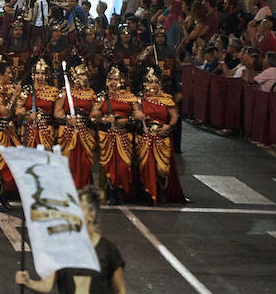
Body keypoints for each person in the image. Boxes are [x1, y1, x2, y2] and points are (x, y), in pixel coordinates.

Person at [15, 186, 128, 294]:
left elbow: (119, 290)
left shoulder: (108, 250)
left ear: (91, 216)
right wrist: (28, 282)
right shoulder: (61, 249)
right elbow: (47, 286)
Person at [137, 67, 185, 205]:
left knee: (161, 169)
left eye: (156, 82)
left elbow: (174, 115)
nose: (154, 85)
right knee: (146, 166)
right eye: (151, 82)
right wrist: (139, 117)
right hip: (145, 138)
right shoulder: (140, 99)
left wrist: (169, 126)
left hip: (162, 138)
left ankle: (160, 188)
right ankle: (148, 192)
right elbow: (135, 114)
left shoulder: (166, 99)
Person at [94, 66, 139, 206]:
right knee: (109, 165)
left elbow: (137, 113)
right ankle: (112, 192)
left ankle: (120, 190)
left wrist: (129, 120)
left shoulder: (129, 96)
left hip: (124, 134)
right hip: (108, 135)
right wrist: (103, 120)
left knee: (124, 165)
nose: (114, 82)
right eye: (111, 79)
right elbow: (95, 115)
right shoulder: (102, 96)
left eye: (116, 79)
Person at [55, 61, 99, 190]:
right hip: (69, 131)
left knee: (85, 162)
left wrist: (95, 116)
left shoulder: (91, 93)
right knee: (69, 161)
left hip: (85, 132)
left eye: (85, 75)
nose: (84, 78)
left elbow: (94, 112)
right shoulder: (66, 92)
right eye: (81, 75)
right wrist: (67, 118)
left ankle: (83, 188)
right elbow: (57, 112)